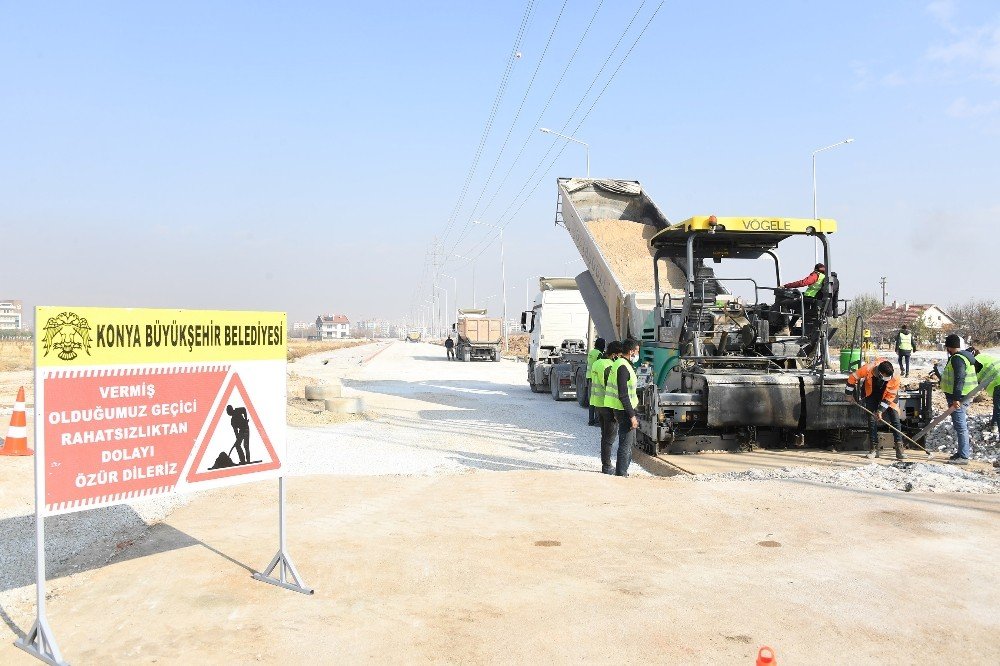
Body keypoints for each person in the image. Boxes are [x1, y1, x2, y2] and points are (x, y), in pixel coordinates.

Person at [846, 359, 904, 460]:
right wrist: (848, 394)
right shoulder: (868, 368)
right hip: (872, 393)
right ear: (880, 373)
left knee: (895, 418)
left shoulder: (895, 376)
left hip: (888, 395)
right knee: (872, 419)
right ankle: (873, 449)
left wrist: (880, 410)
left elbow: (890, 396)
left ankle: (899, 450)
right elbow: (852, 377)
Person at [940, 334, 978, 465]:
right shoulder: (965, 356)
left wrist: (956, 398)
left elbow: (960, 379)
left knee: (961, 426)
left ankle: (963, 456)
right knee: (959, 425)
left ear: (949, 347)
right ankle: (961, 452)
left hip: (959, 397)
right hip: (963, 395)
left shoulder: (957, 359)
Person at [604, 339, 640, 477]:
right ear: (631, 351)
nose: (637, 354)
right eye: (637, 351)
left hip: (620, 408)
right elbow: (623, 395)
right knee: (625, 444)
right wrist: (632, 416)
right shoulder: (623, 367)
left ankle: (622, 472)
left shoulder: (620, 363)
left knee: (627, 443)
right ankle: (621, 473)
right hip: (624, 410)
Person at [590, 341, 621, 474]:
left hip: (598, 403)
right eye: (619, 355)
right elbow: (610, 387)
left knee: (605, 435)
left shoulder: (597, 363)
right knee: (609, 437)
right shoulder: (609, 366)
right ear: (614, 354)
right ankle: (607, 466)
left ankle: (605, 464)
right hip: (608, 405)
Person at [972, 347, 1000, 433]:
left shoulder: (975, 362)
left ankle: (995, 426)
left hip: (998, 382)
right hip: (997, 381)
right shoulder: (985, 356)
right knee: (998, 407)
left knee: (998, 409)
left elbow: (973, 379)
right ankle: (994, 424)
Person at [586, 337, 607, 426]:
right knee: (598, 399)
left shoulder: (591, 352)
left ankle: (591, 420)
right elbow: (600, 365)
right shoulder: (599, 354)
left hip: (589, 376)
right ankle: (597, 421)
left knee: (592, 399)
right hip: (595, 378)